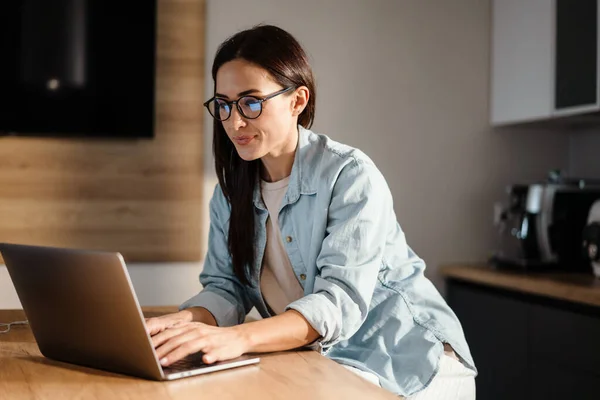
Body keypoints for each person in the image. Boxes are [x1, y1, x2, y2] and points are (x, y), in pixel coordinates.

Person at [145, 24, 477, 398]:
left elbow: (337, 304)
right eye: (223, 104)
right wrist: (180, 324)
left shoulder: (349, 175)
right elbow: (227, 288)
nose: (234, 122)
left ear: (297, 101)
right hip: (328, 358)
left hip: (410, 362)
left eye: (251, 102)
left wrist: (236, 339)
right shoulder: (230, 194)